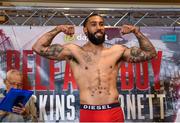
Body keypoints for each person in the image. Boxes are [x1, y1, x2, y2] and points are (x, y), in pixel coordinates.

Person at [32, 14, 157, 122]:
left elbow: (150, 53)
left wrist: (137, 32)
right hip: (89, 113)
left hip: (113, 111)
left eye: (101, 24)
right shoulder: (74, 51)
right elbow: (38, 48)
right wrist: (58, 29)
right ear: (85, 30)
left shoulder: (117, 51)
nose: (99, 27)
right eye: (94, 24)